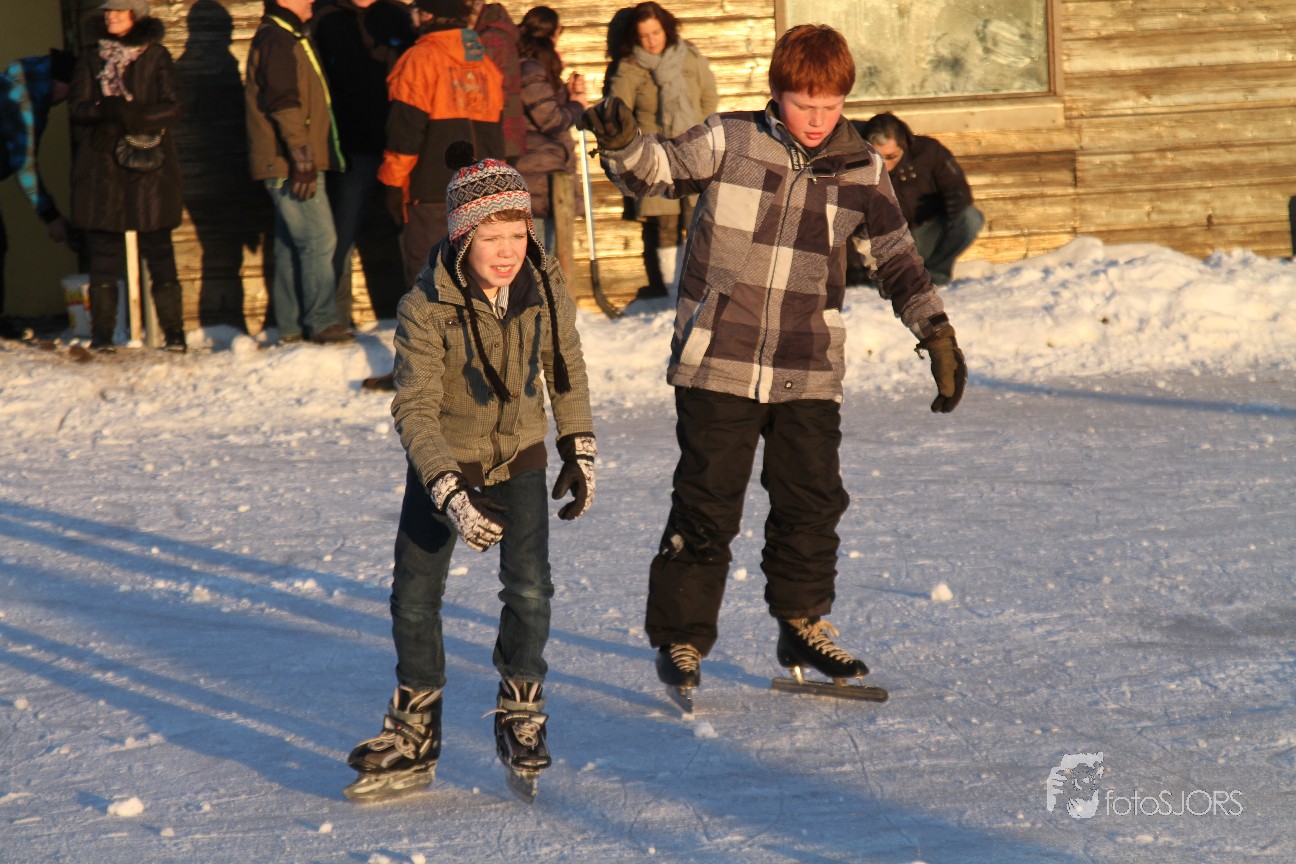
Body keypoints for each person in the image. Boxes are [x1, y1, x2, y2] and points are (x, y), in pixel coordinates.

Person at [581, 24, 967, 702]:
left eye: (830, 106)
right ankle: (681, 637)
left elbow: (897, 258)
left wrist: (935, 332)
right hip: (718, 358)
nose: (817, 120)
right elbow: (656, 169)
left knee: (811, 501)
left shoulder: (862, 169)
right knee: (707, 504)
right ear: (775, 93)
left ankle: (802, 622)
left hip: (808, 363)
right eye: (802, 105)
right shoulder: (730, 140)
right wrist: (621, 142)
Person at [345, 147, 595, 801]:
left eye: (517, 234)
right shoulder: (425, 306)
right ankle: (414, 730)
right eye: (491, 237)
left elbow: (564, 362)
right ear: (462, 237)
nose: (508, 251)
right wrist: (450, 490)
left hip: (520, 452)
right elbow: (415, 409)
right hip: (446, 462)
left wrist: (578, 442)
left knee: (530, 589)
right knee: (414, 595)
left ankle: (521, 711)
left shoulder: (542, 284)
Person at [68, 0, 187, 352]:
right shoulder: (91, 57)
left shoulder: (156, 55)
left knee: (159, 248)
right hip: (102, 166)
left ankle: (174, 334)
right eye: (108, 10)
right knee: (103, 251)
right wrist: (105, 109)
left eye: (120, 10)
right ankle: (102, 335)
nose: (112, 15)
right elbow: (77, 107)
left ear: (137, 15)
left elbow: (174, 106)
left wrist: (134, 117)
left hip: (148, 164)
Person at [245, 0, 354, 345]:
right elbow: (284, 103)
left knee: (293, 243)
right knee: (319, 239)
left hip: (288, 160)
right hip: (289, 161)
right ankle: (321, 321)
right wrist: (302, 158)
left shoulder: (286, 36)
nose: (311, 1)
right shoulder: (278, 40)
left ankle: (291, 327)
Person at [379, 0, 505, 289]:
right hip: (483, 193)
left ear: (428, 14)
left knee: (430, 287)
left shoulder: (419, 59)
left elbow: (405, 134)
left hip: (432, 194)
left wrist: (392, 185)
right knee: (477, 286)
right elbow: (498, 135)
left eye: (415, 9)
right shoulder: (485, 64)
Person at [312, 0, 414, 326]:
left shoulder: (397, 15)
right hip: (351, 146)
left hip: (399, 145)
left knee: (411, 233)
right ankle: (333, 318)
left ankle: (420, 318)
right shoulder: (326, 19)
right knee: (340, 235)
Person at [608, 1, 716, 300]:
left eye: (655, 33)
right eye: (644, 36)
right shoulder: (630, 67)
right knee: (665, 224)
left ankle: (695, 287)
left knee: (697, 219)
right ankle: (670, 291)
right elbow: (618, 112)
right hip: (654, 157)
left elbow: (708, 98)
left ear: (666, 29)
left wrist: (700, 132)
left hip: (694, 153)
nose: (651, 41)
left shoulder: (689, 56)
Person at [854, 112, 983, 286]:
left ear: (904, 146)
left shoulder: (930, 151)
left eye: (891, 156)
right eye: (877, 157)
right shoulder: (854, 165)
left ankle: (936, 276)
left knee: (970, 217)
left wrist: (955, 201)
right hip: (887, 243)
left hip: (929, 233)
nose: (884, 164)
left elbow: (958, 187)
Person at [1, 48, 76, 339]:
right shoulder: (23, 99)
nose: (67, 100)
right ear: (58, 83)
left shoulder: (22, 81)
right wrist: (51, 216)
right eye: (70, 92)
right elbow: (25, 164)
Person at [514, 6, 588, 254]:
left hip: (545, 177)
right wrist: (578, 105)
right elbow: (550, 120)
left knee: (549, 260)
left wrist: (567, 95)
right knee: (540, 261)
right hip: (537, 178)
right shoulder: (529, 69)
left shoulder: (533, 68)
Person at [467, 1, 525, 166]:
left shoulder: (490, 37)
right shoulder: (491, 33)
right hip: (503, 132)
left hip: (498, 133)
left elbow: (489, 88)